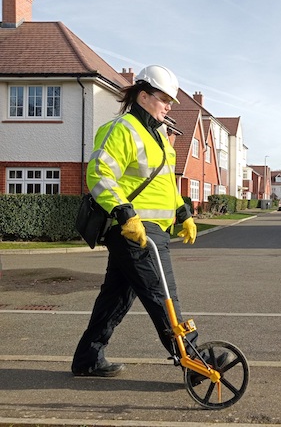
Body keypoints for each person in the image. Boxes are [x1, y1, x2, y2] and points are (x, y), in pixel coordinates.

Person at [72, 65, 198, 377]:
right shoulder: (123, 129)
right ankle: (195, 361)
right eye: (163, 99)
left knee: (115, 297)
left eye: (171, 101)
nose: (168, 106)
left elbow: (166, 186)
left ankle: (88, 358)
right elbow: (99, 174)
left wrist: (184, 215)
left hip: (152, 231)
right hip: (136, 231)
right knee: (162, 294)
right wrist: (125, 213)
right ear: (143, 96)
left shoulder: (160, 139)